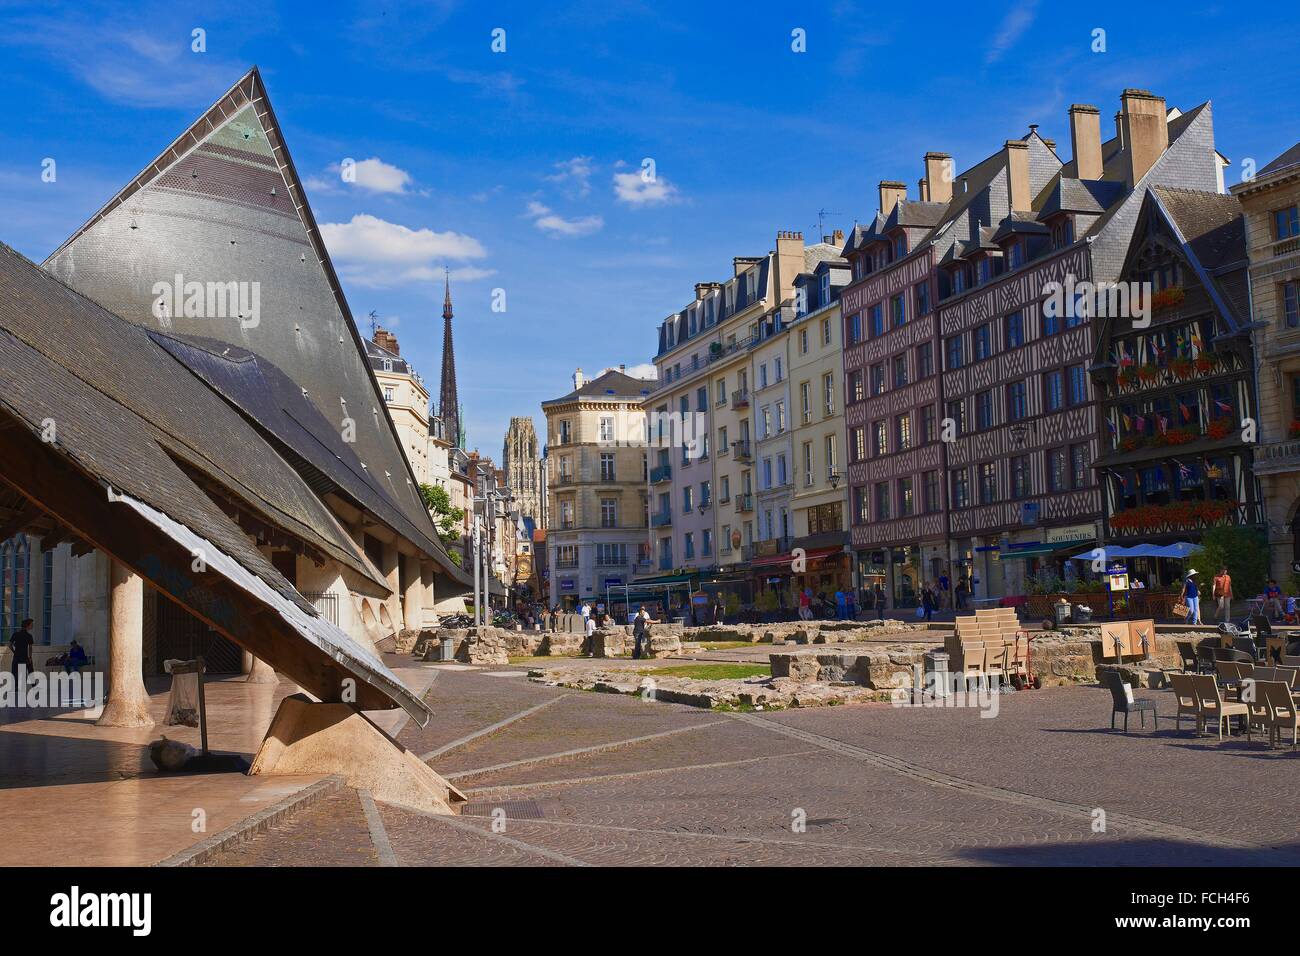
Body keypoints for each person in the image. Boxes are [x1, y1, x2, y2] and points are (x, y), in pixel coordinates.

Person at [8, 618, 34, 684]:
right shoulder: (29, 636)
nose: (32, 626)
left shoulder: (15, 634)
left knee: (15, 672)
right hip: (25, 657)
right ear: (27, 626)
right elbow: (30, 648)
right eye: (31, 624)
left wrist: (14, 652)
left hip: (16, 657)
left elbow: (10, 645)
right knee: (30, 671)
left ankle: (15, 687)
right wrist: (30, 657)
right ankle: (34, 687)